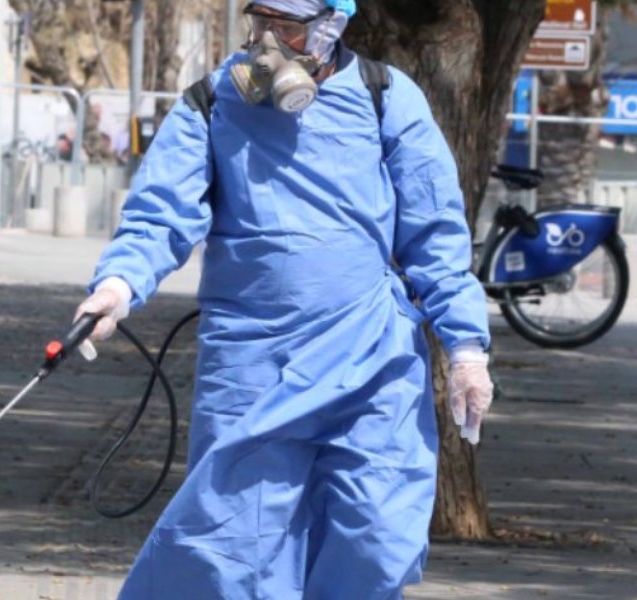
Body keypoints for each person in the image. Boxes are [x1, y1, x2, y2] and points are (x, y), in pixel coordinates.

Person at [75, 1, 495, 598]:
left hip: (371, 358)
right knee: (237, 550)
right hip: (253, 364)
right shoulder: (213, 102)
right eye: (260, 22)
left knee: (377, 537)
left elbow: (435, 232)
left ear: (332, 26)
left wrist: (466, 347)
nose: (269, 40)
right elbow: (160, 215)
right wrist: (117, 287)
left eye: (289, 27)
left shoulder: (385, 96)